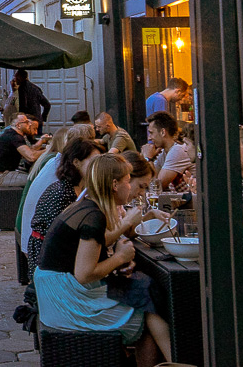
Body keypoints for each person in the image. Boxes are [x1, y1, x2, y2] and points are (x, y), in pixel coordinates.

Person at [32, 154, 172, 365]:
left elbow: (96, 240)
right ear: (115, 184)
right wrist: (119, 258)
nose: (131, 188)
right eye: (127, 181)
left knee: (145, 290)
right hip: (65, 300)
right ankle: (177, 360)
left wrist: (125, 231)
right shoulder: (93, 216)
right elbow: (84, 274)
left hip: (54, 289)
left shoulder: (86, 206)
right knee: (147, 311)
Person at [26, 137, 103, 274]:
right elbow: (61, 238)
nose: (98, 167)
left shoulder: (81, 188)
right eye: (93, 162)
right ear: (76, 162)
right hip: (48, 263)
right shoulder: (62, 193)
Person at [0, 113, 50, 188]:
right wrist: (48, 149)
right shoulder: (14, 136)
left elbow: (29, 151)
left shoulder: (13, 135)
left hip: (3, 174)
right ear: (18, 125)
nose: (29, 124)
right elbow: (31, 156)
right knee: (38, 180)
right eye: (26, 122)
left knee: (36, 176)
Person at [141, 111, 195, 190]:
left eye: (151, 133)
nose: (149, 138)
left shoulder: (178, 150)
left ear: (163, 132)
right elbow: (147, 181)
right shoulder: (163, 153)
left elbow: (157, 187)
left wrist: (148, 158)